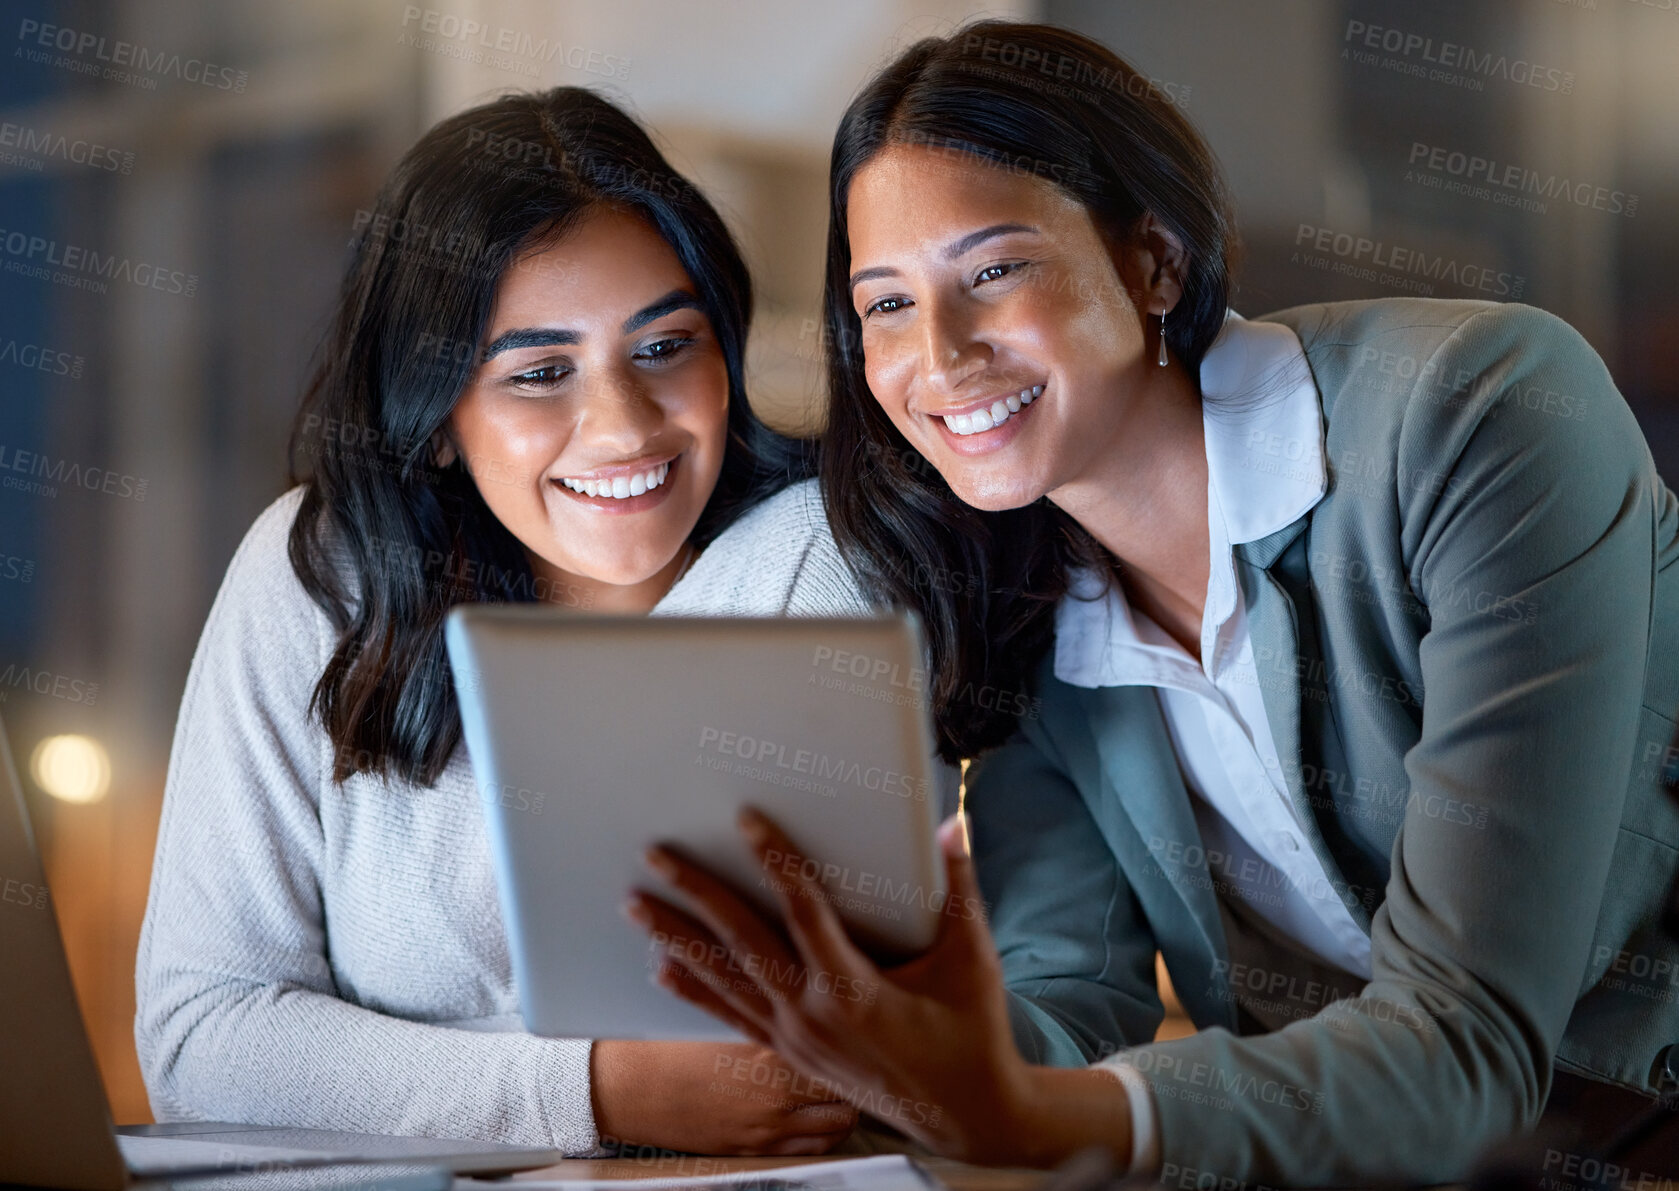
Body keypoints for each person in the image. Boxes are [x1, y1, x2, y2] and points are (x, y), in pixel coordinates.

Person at [627, 21, 1679, 1185]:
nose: (939, 354)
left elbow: (1466, 1041)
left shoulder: (1474, 419)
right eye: (884, 306)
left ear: (1154, 264)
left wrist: (1026, 1114)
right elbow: (1074, 1011)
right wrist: (894, 1040)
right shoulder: (1021, 595)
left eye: (994, 271)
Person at [135, 86, 876, 1158]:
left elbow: (856, 1031)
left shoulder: (819, 556)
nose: (622, 428)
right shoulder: (325, 576)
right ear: (436, 418)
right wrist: (599, 1092)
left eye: (666, 347)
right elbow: (203, 1041)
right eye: (539, 373)